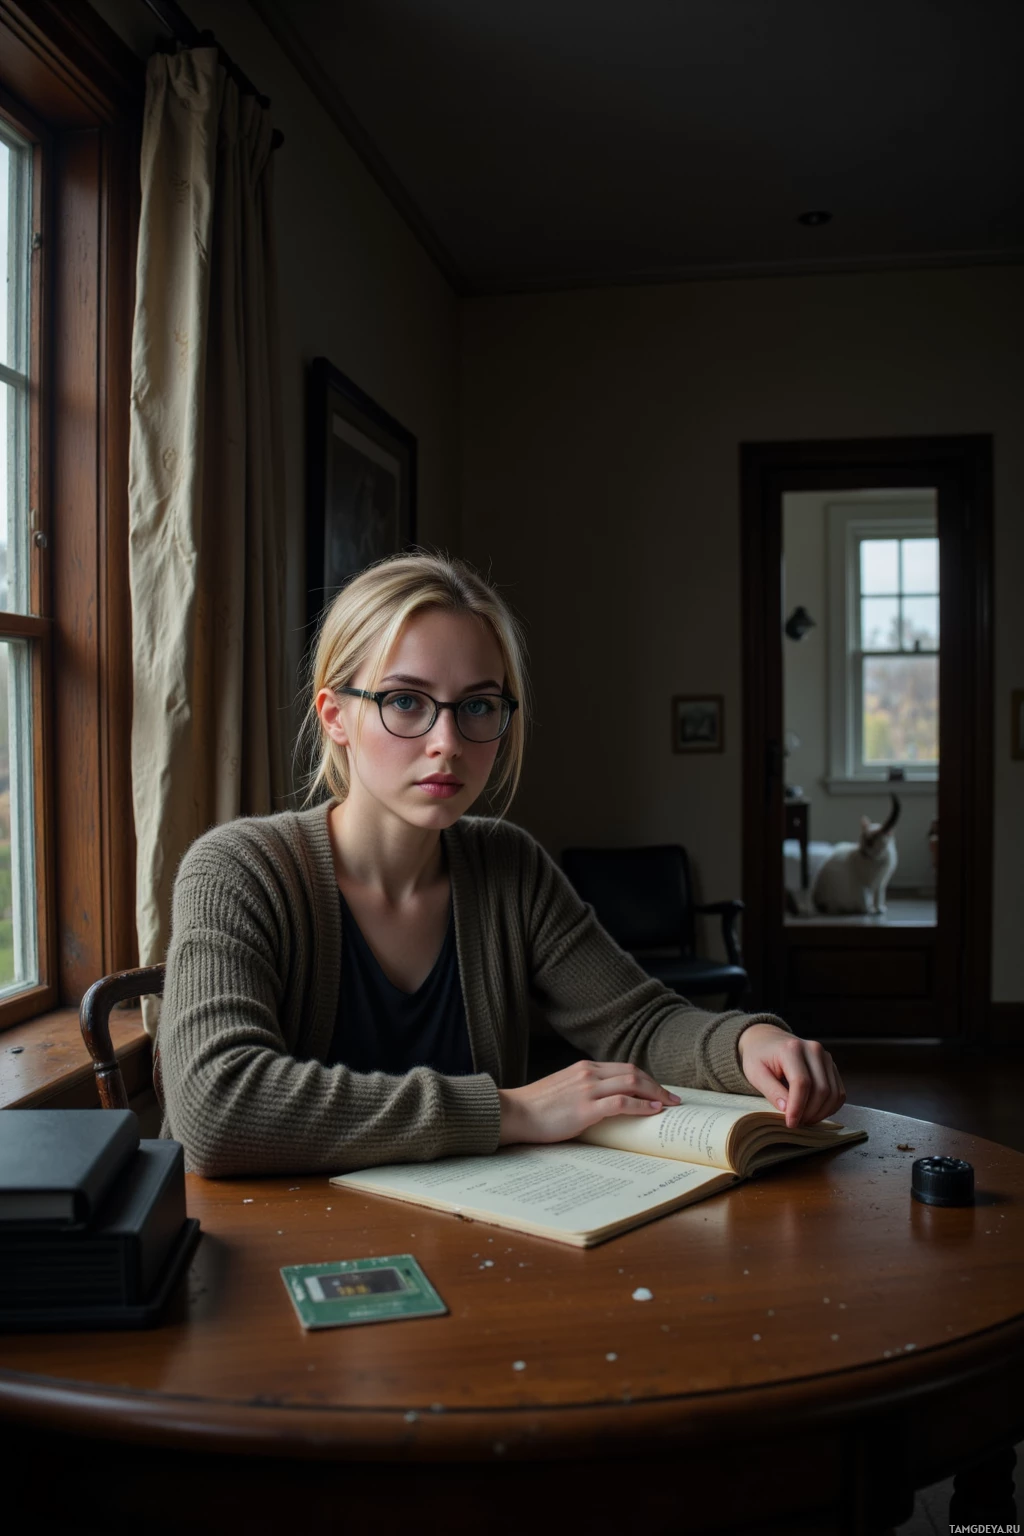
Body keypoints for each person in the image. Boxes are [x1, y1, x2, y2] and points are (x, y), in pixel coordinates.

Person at [159, 551, 845, 1176]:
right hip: (272, 1262)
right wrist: (513, 1111)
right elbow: (218, 1108)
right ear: (336, 715)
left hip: (477, 1243)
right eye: (405, 701)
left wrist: (749, 1040)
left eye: (479, 706)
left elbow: (636, 1025)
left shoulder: (507, 867)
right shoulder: (238, 870)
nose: (447, 742)